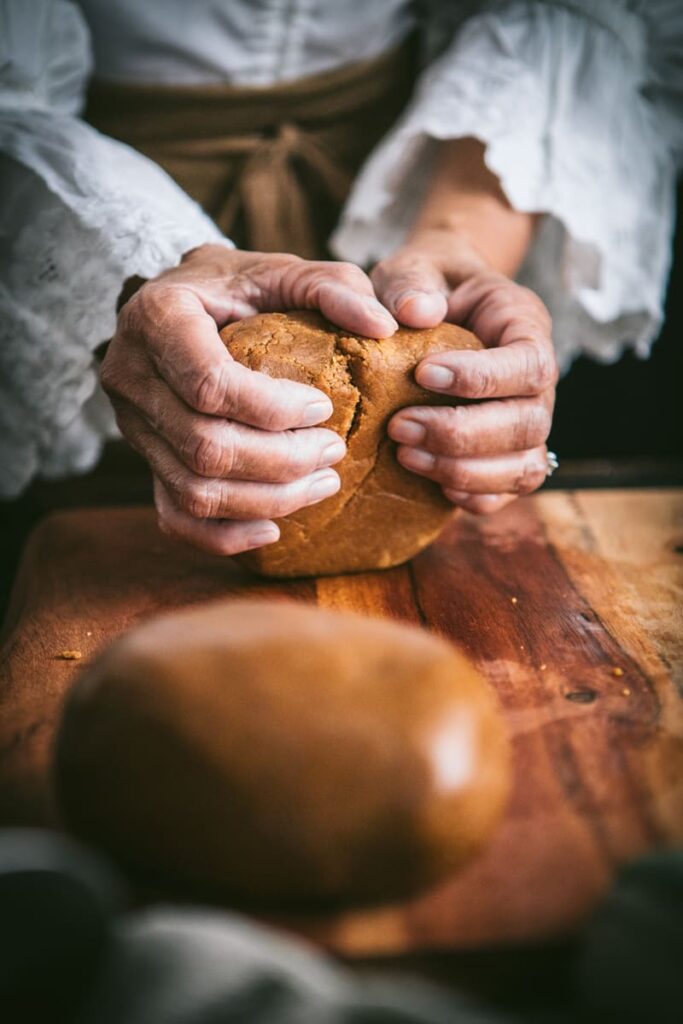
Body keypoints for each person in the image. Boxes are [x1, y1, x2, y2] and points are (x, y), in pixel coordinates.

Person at [1, 1, 680, 557]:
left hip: (406, 175)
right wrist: (142, 257)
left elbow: (570, 14)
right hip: (74, 211)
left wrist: (459, 237)